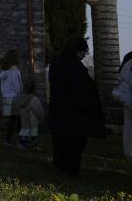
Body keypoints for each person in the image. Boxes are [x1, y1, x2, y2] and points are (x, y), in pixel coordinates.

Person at [48, 36, 105, 177]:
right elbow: (80, 91)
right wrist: (88, 109)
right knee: (74, 142)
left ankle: (60, 163)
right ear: (77, 50)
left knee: (60, 140)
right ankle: (70, 168)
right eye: (84, 51)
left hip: (58, 107)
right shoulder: (75, 67)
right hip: (74, 112)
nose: (85, 55)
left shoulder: (56, 63)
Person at [0, 49, 23, 148]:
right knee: (17, 119)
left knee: (9, 119)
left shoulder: (5, 71)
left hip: (6, 97)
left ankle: (8, 139)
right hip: (14, 97)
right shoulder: (13, 71)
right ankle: (19, 141)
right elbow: (17, 86)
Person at [13, 79, 45, 148]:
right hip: (32, 120)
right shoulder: (34, 99)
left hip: (23, 119)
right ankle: (30, 144)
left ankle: (23, 143)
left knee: (24, 131)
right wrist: (41, 117)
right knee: (33, 131)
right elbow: (38, 110)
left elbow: (16, 108)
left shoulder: (19, 97)